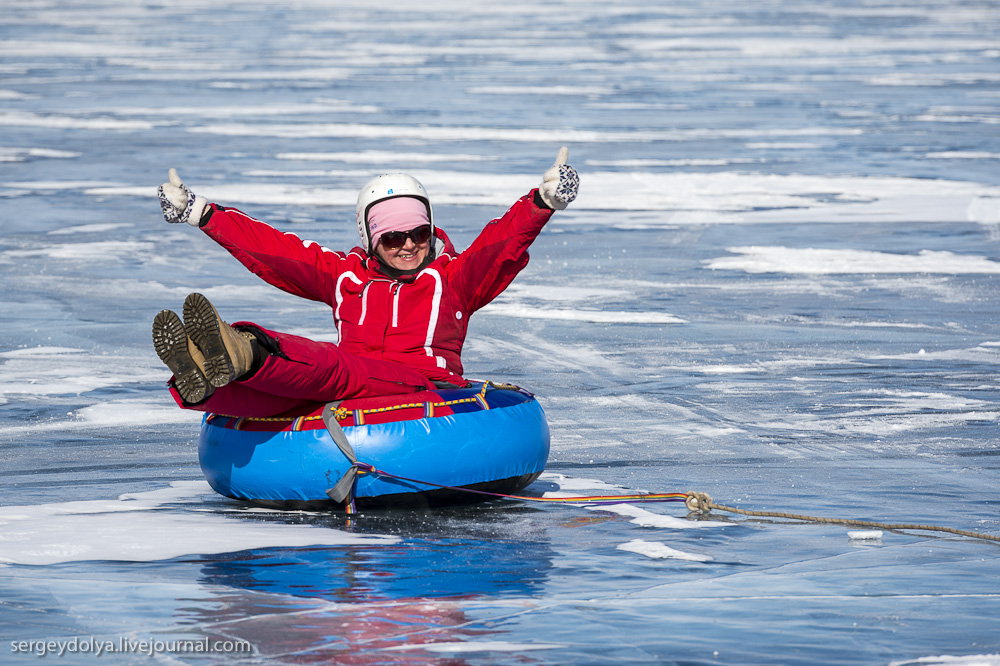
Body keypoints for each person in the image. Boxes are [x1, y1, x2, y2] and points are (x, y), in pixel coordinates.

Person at [151, 148, 579, 418]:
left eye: (419, 232)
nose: (408, 245)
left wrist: (542, 203)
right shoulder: (346, 277)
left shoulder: (453, 279)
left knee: (334, 366)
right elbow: (277, 251)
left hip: (421, 387)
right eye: (393, 237)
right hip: (349, 388)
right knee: (256, 397)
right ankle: (202, 370)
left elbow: (498, 245)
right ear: (371, 240)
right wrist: (202, 212)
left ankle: (243, 347)